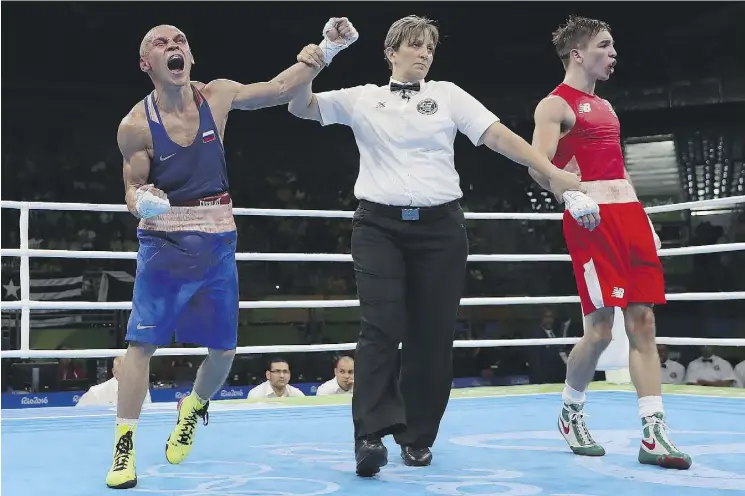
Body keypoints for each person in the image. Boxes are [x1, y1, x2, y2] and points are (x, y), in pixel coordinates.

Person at [288, 15, 592, 477]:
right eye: (414, 45)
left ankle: (417, 436)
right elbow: (300, 107)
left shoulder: (448, 94)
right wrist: (319, 56)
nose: (424, 52)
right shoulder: (363, 98)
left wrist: (550, 172)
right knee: (381, 326)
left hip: (441, 230)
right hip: (378, 227)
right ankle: (368, 436)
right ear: (391, 52)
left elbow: (500, 138)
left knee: (433, 336)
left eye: (429, 46)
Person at [107, 19, 359, 489]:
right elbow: (130, 188)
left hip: (218, 238)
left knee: (223, 352)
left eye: (180, 39)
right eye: (161, 43)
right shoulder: (135, 125)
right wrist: (142, 200)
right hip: (163, 241)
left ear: (191, 56)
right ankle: (124, 447)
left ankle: (193, 408)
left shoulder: (216, 96)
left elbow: (281, 87)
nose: (173, 45)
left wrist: (328, 48)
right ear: (147, 63)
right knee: (140, 346)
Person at [528, 15, 691, 469]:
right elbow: (536, 166)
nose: (613, 52)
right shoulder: (554, 105)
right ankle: (570, 410)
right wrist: (569, 193)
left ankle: (654, 434)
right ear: (578, 53)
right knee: (599, 331)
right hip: (590, 221)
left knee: (643, 324)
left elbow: (618, 167)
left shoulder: (608, 107)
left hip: (627, 216)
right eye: (604, 45)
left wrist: (643, 214)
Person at [76, 356, 152, 407]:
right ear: (115, 373)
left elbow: (147, 418)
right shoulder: (96, 393)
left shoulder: (143, 390)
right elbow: (77, 415)